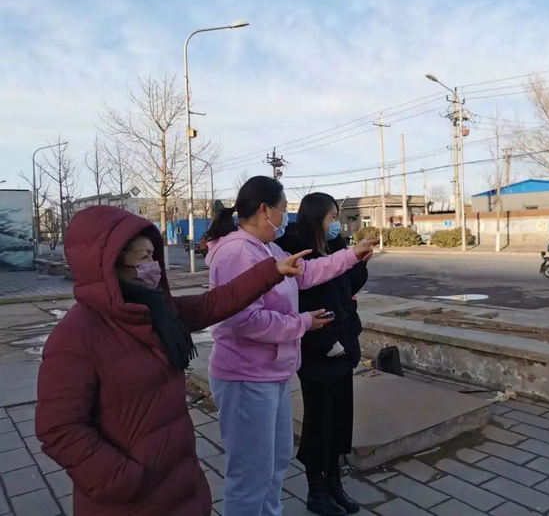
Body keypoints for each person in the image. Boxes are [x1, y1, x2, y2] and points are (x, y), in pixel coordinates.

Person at [35, 206, 311, 516]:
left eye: (153, 257)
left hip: (181, 483)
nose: (152, 267)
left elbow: (215, 302)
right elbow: (59, 428)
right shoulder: (76, 335)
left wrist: (272, 272)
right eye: (142, 258)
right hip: (130, 501)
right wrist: (124, 480)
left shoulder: (158, 312)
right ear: (108, 265)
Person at [204, 176, 377, 516]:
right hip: (246, 377)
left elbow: (307, 272)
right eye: (283, 210)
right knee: (251, 473)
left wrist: (351, 255)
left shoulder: (267, 248)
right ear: (264, 210)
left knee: (275, 463)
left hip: (273, 373)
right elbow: (245, 321)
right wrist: (303, 323)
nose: (286, 218)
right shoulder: (237, 253)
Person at [276, 193, 368, 516]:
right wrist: (325, 342)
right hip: (318, 350)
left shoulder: (334, 244)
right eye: (332, 217)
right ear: (317, 217)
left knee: (340, 420)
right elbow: (297, 302)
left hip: (343, 346)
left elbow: (348, 285)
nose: (336, 223)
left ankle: (335, 484)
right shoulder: (296, 250)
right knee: (320, 422)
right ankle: (316, 490)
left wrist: (359, 260)